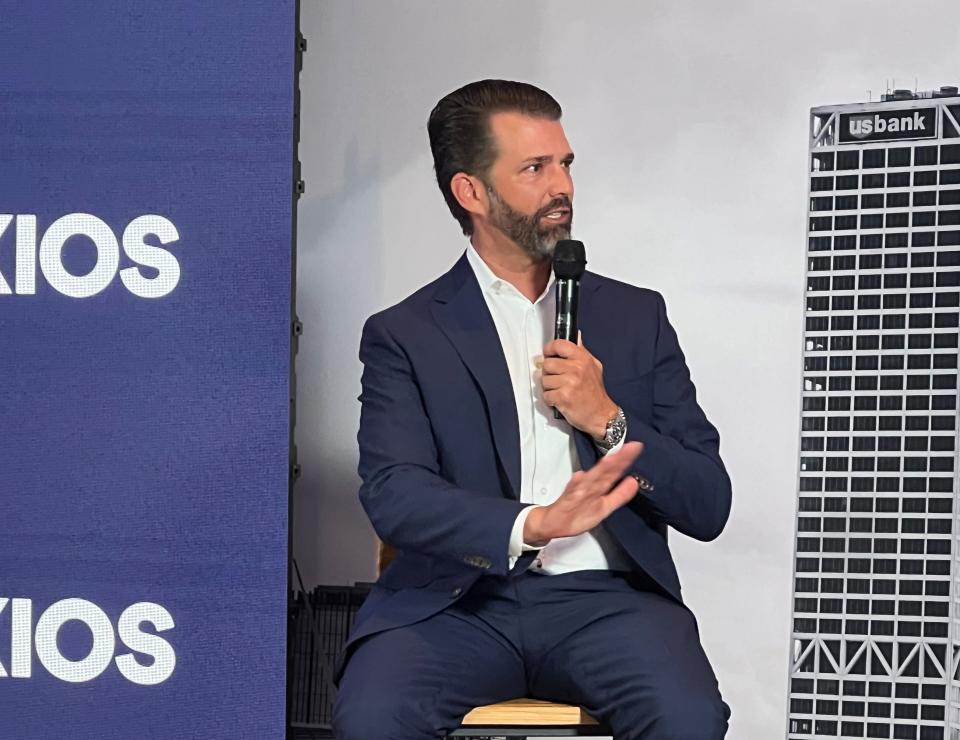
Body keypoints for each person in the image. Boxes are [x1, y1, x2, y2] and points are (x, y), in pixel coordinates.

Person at [332, 79, 732, 739]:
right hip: (453, 604)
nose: (562, 186)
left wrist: (609, 419)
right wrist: (536, 523)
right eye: (534, 168)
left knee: (686, 719)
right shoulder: (405, 334)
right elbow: (396, 495)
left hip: (609, 605)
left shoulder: (636, 317)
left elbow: (709, 503)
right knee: (373, 717)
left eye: (566, 164)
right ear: (471, 192)